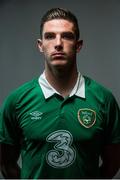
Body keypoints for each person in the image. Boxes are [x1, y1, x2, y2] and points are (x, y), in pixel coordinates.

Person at [0, 7, 120, 179]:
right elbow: (6, 166)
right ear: (40, 45)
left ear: (78, 45)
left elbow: (113, 163)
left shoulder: (104, 99)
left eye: (67, 36)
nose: (58, 43)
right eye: (50, 36)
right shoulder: (17, 101)